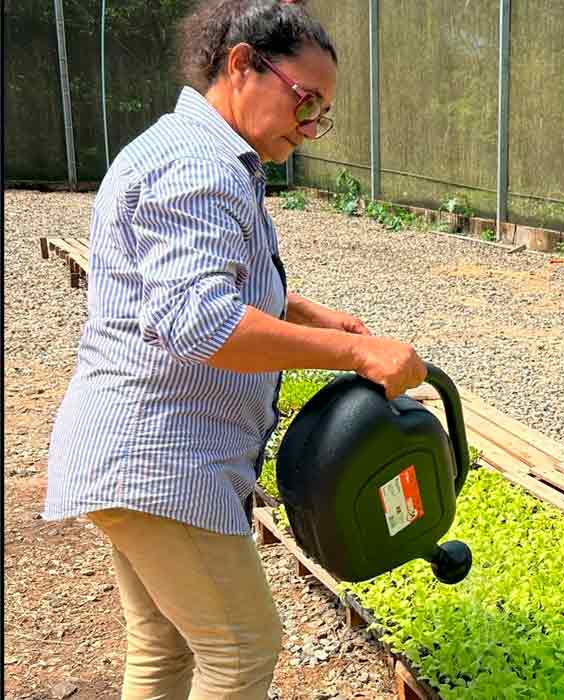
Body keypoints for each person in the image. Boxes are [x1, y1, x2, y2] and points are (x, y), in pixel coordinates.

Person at [41, 1, 426, 697]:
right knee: (243, 648)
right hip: (162, 457)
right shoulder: (199, 166)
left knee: (163, 649)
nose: (309, 129)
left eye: (321, 113)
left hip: (133, 454)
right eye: (305, 102)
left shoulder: (195, 153)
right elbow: (201, 323)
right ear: (243, 63)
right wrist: (357, 357)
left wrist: (301, 310)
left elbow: (183, 288)